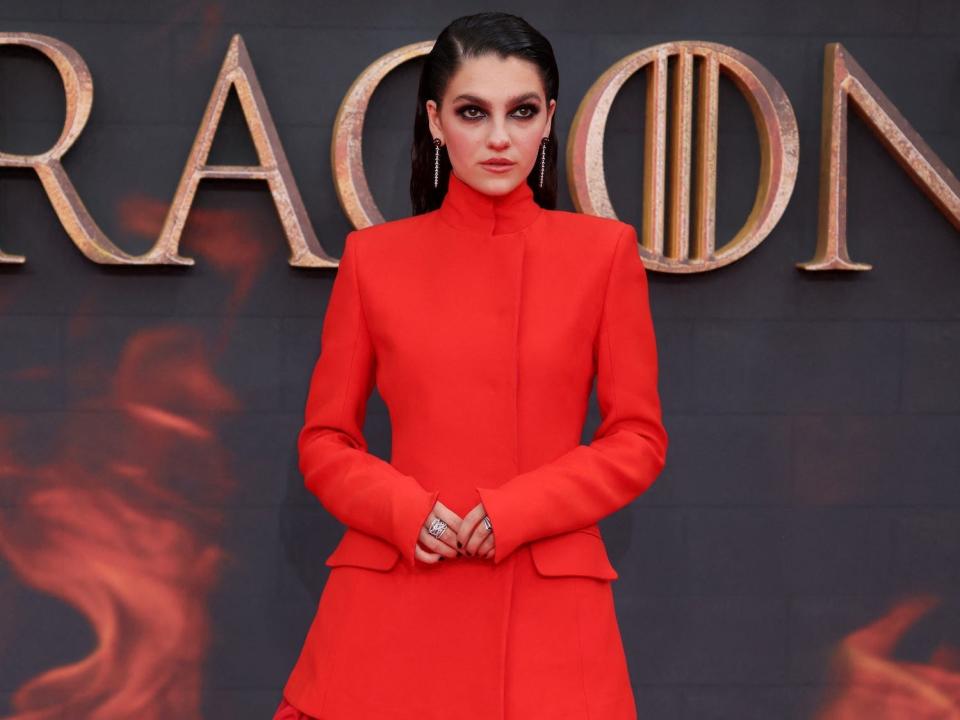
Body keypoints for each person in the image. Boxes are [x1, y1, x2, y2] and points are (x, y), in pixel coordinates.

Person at [274, 11, 668, 720]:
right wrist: (403, 510)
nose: (497, 137)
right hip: (396, 600)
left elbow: (638, 439)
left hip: (547, 614)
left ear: (549, 119)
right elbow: (324, 441)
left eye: (520, 112)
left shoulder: (603, 254)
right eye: (471, 111)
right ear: (434, 120)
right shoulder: (374, 261)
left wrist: (518, 509)